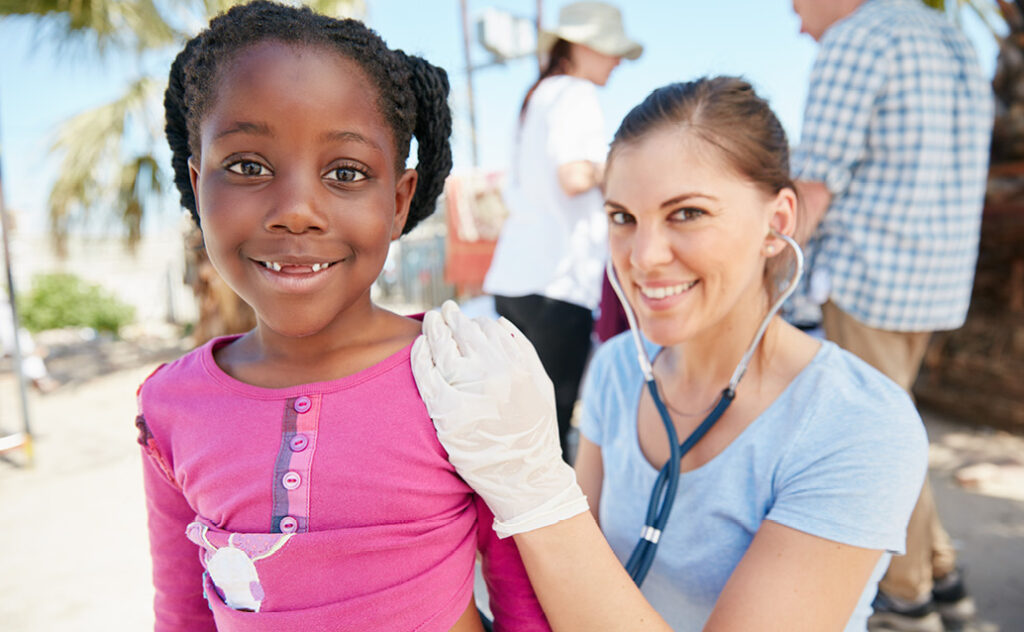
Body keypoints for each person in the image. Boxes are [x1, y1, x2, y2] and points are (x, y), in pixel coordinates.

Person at [413, 77, 931, 631]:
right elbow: (562, 577)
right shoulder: (617, 368)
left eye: (687, 213)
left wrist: (533, 481)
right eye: (622, 218)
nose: (644, 256)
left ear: (777, 224)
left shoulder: (860, 424)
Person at [136, 3, 548, 630]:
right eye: (249, 166)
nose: (297, 210)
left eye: (346, 173)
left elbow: (522, 597)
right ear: (198, 187)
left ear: (398, 202)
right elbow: (182, 611)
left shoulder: (459, 373)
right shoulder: (169, 406)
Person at [790, 1, 994, 629]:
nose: (795, 18)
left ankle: (907, 597)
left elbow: (814, 183)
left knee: (871, 440)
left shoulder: (859, 39)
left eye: (795, 2)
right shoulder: (950, 37)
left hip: (867, 277)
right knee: (894, 421)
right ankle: (942, 574)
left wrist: (764, 273)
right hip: (933, 282)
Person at [482, 1, 642, 459]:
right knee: (549, 440)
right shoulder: (575, 93)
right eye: (613, 50)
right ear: (585, 45)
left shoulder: (538, 95)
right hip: (558, 283)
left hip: (515, 275)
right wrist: (626, 168)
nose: (617, 61)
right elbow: (574, 177)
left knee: (517, 431)